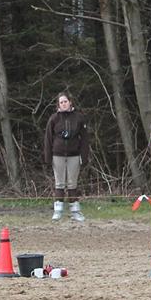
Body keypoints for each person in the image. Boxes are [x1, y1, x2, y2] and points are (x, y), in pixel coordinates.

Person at [43, 92, 90, 221]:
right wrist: (48, 157)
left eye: (65, 101)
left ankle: (75, 212)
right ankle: (57, 211)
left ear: (70, 102)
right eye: (61, 102)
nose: (63, 104)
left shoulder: (79, 118)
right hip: (57, 155)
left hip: (74, 155)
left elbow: (85, 139)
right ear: (58, 105)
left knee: (72, 184)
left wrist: (84, 156)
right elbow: (48, 138)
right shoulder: (54, 119)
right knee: (59, 183)